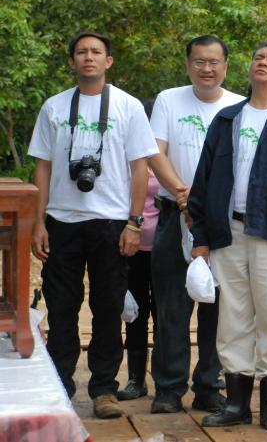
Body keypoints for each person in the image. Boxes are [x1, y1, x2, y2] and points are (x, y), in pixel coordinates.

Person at [188, 40, 267, 431]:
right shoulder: (227, 119)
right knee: (233, 318)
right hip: (229, 233)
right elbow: (203, 180)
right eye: (258, 57)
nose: (262, 62)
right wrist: (201, 235)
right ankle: (236, 404)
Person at [29, 31, 158, 418]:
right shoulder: (53, 107)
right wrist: (38, 222)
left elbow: (140, 167)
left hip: (111, 221)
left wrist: (134, 222)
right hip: (62, 220)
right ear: (71, 61)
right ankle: (60, 387)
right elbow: (42, 167)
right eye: (81, 52)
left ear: (108, 61)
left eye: (96, 52)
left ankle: (104, 389)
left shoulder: (127, 106)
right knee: (61, 308)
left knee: (108, 307)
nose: (89, 57)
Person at [146, 36, 243, 413]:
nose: (207, 69)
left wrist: (205, 203)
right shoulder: (168, 100)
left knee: (217, 307)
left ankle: (209, 385)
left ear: (226, 67)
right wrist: (183, 194)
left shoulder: (239, 106)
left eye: (214, 62)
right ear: (188, 65)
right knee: (171, 305)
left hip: (221, 221)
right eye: (199, 61)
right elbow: (155, 153)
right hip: (175, 214)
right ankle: (169, 388)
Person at [117, 99, 160, 402]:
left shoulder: (166, 156)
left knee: (165, 313)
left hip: (165, 247)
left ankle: (165, 378)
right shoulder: (126, 153)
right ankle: (135, 379)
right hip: (131, 246)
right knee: (135, 313)